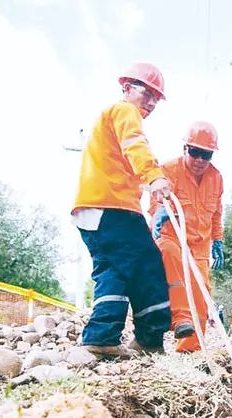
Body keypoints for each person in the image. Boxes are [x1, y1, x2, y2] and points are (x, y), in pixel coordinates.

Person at [71, 62, 173, 359]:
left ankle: (106, 336)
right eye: (147, 93)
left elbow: (123, 162)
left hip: (99, 207)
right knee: (146, 265)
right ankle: (146, 339)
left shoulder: (111, 119)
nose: (151, 102)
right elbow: (135, 145)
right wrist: (154, 176)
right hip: (110, 207)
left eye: (156, 97)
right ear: (127, 88)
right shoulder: (124, 111)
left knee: (118, 267)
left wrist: (147, 186)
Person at [149, 121, 225, 353]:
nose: (200, 160)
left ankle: (190, 350)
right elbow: (155, 201)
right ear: (185, 149)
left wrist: (218, 239)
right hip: (172, 236)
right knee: (171, 259)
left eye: (206, 154)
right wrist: (158, 211)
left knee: (202, 292)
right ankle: (181, 318)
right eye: (195, 152)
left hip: (200, 244)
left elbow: (217, 212)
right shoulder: (169, 170)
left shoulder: (216, 178)